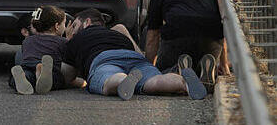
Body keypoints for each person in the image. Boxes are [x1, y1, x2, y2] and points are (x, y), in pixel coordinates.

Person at [63, 9, 209, 101]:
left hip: (104, 60)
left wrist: (68, 41)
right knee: (155, 81)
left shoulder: (77, 38)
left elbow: (67, 75)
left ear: (87, 22)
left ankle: (123, 80)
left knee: (108, 82)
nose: (73, 30)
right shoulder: (116, 33)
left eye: (75, 25)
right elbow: (140, 54)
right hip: (134, 58)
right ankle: (184, 83)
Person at [145, 0, 230, 92]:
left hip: (178, 38)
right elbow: (220, 24)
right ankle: (206, 71)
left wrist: (148, 68)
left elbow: (153, 35)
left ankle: (176, 69)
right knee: (201, 61)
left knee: (163, 71)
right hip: (211, 40)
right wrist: (224, 64)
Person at [10, 6, 68, 95]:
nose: (65, 27)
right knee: (59, 80)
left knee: (18, 78)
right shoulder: (62, 41)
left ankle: (22, 79)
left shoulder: (28, 40)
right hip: (51, 72)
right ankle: (40, 73)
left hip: (28, 68)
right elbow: (67, 61)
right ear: (57, 26)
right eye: (64, 24)